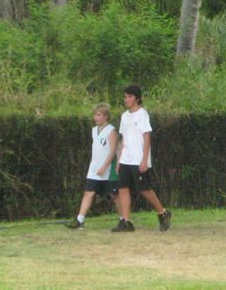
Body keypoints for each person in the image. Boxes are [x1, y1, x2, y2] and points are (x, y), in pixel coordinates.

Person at [112, 84, 172, 232]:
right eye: (125, 97)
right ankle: (126, 221)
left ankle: (162, 212)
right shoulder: (124, 116)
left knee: (144, 189)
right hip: (126, 158)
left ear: (137, 99)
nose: (126, 100)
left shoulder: (142, 114)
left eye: (130, 97)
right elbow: (122, 139)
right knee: (123, 188)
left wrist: (144, 159)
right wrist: (119, 159)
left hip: (138, 158)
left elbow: (147, 137)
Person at [66, 103, 119, 229]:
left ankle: (124, 219)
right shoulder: (94, 130)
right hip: (94, 168)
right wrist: (95, 166)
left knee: (114, 195)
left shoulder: (111, 131)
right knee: (88, 193)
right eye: (95, 115)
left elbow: (113, 151)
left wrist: (104, 166)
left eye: (99, 115)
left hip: (107, 170)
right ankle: (80, 220)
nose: (96, 117)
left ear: (106, 116)